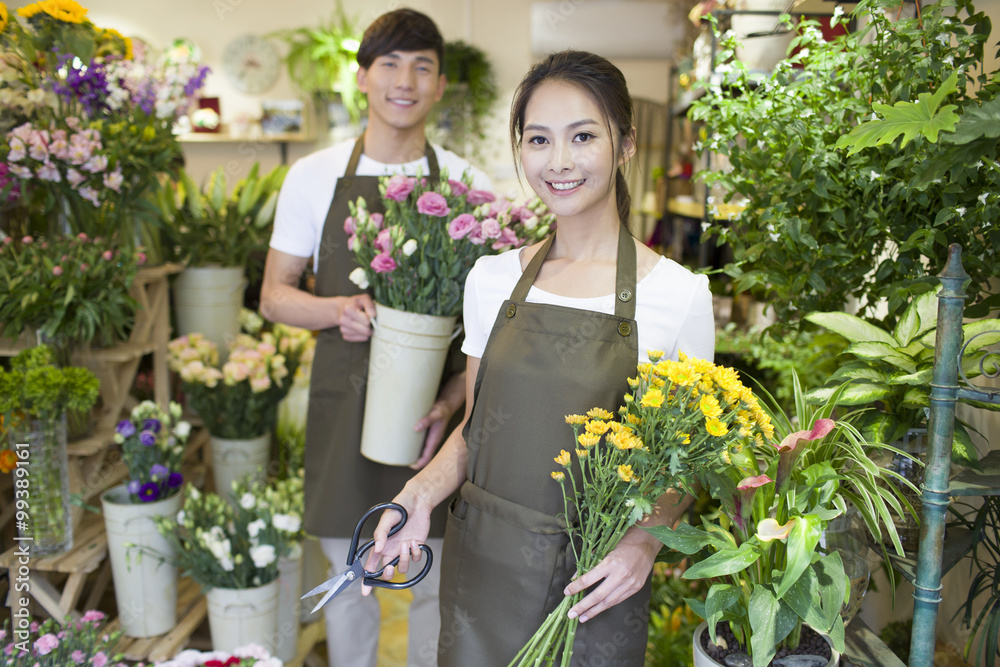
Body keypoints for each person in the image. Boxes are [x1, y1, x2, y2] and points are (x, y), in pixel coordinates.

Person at [363, 50, 716, 665]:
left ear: (625, 143)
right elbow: (476, 431)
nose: (559, 162)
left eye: (583, 137)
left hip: (594, 584)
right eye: (538, 140)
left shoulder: (679, 295)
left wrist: (643, 545)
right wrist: (418, 495)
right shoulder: (492, 279)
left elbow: (684, 465)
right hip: (484, 568)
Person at [259, 8, 492, 667]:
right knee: (349, 580)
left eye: (422, 66)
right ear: (362, 77)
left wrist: (454, 394)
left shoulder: (469, 185)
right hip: (345, 406)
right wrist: (336, 309)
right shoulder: (313, 174)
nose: (405, 80)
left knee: (432, 580)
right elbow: (274, 295)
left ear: (441, 85)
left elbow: (488, 318)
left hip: (434, 417)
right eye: (389, 64)